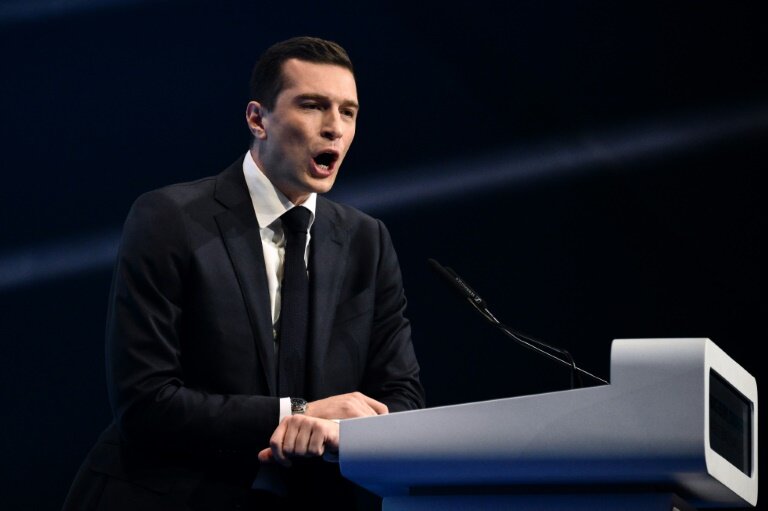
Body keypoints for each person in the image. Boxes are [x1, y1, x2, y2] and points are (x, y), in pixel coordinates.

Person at [62, 36, 425, 511]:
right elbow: (146, 403)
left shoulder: (366, 242)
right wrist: (298, 414)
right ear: (258, 120)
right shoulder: (170, 219)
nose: (335, 128)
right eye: (313, 106)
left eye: (348, 112)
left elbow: (402, 398)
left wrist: (337, 430)